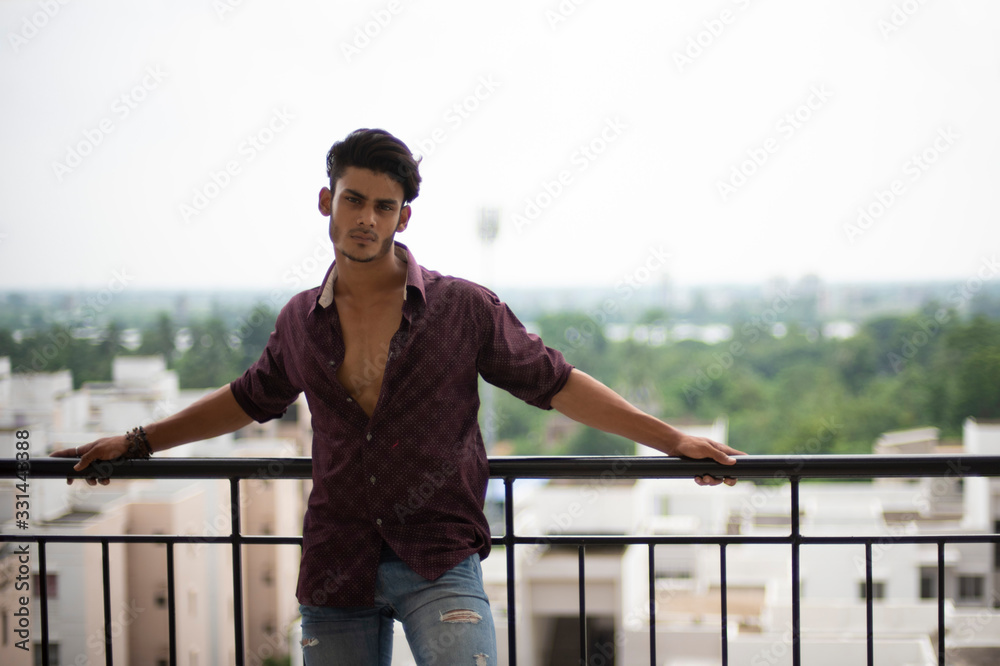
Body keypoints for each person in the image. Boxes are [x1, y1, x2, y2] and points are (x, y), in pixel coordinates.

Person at [52, 128, 745, 664]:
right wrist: (137, 442)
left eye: (384, 206)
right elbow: (247, 398)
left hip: (439, 557)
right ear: (328, 201)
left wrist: (672, 441)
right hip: (335, 565)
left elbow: (556, 384)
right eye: (353, 199)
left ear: (402, 218)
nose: (366, 218)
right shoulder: (299, 319)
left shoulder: (462, 308)